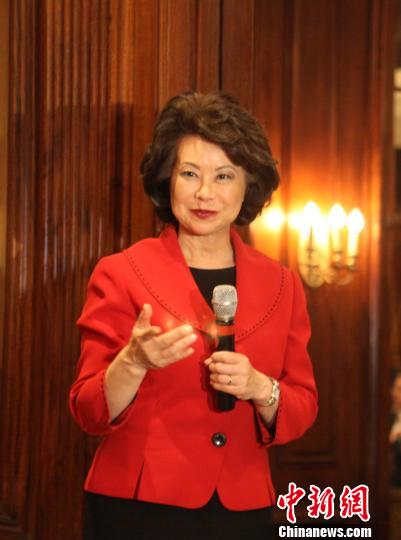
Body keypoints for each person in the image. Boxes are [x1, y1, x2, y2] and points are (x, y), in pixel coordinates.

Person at [69, 91, 318, 540]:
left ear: (248, 186)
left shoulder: (283, 284)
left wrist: (260, 387)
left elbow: (303, 405)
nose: (205, 193)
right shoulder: (121, 272)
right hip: (138, 507)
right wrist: (133, 362)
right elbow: (88, 411)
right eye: (189, 174)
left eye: (224, 176)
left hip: (243, 511)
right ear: (168, 179)